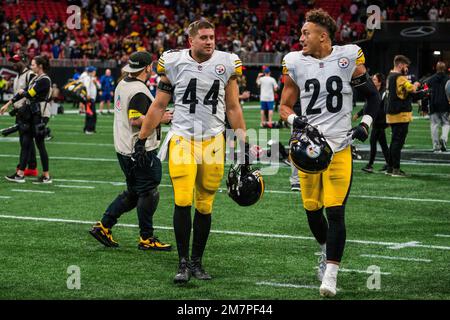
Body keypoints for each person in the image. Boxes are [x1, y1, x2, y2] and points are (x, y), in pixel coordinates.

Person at [136, 20, 250, 284]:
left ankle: (197, 261)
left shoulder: (227, 63)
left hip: (213, 141)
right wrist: (142, 139)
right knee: (183, 199)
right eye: (204, 37)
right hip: (183, 139)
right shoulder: (173, 63)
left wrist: (243, 143)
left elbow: (233, 108)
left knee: (205, 204)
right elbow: (158, 105)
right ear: (191, 41)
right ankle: (183, 263)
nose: (210, 41)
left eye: (212, 37)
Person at [280, 9, 380, 297]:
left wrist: (365, 124)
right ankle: (325, 251)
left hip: (339, 147)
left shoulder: (348, 57)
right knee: (312, 209)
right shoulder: (295, 63)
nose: (300, 38)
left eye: (305, 33)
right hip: (308, 149)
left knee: (335, 210)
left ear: (322, 36)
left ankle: (331, 274)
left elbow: (373, 98)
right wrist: (293, 121)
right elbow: (285, 106)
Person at [89, 51, 173, 251]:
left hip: (124, 148)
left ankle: (104, 225)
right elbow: (136, 119)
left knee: (135, 192)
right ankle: (147, 237)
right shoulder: (138, 89)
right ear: (147, 68)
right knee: (149, 191)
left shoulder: (123, 83)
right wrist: (161, 118)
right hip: (139, 149)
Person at [1, 55, 53, 183]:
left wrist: (22, 92)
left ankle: (46, 176)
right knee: (25, 143)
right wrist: (8, 104)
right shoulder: (36, 78)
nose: (31, 66)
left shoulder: (45, 80)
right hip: (32, 113)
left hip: (40, 114)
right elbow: (24, 91)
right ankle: (20, 174)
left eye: (34, 64)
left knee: (40, 145)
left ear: (40, 66)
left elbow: (29, 93)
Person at [385, 55, 422, 177]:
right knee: (398, 143)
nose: (407, 69)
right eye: (406, 66)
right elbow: (412, 89)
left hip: (391, 114)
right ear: (400, 65)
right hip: (400, 114)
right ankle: (396, 169)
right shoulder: (400, 77)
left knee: (394, 142)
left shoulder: (390, 76)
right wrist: (416, 84)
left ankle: (390, 167)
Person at [9, 54, 39, 177]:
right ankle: (30, 166)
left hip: (26, 112)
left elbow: (34, 92)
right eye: (13, 62)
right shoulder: (17, 76)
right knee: (25, 140)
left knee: (26, 140)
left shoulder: (30, 74)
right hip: (19, 112)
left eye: (16, 62)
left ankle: (28, 166)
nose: (13, 64)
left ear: (23, 62)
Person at [353, 73, 390, 172]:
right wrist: (359, 114)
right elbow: (367, 106)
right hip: (375, 121)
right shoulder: (372, 92)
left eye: (374, 80)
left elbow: (383, 109)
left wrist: (377, 119)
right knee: (383, 144)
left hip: (379, 122)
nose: (372, 81)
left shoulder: (383, 93)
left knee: (373, 142)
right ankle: (389, 164)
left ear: (379, 82)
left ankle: (370, 165)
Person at [423, 62, 449, 152]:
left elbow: (425, 92)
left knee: (434, 125)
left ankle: (436, 145)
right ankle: (444, 138)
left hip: (433, 104)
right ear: (445, 68)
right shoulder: (448, 79)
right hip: (445, 104)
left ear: (436, 68)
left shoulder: (430, 80)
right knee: (446, 123)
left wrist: (424, 107)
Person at [80, 66, 98, 134]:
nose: (95, 72)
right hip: (89, 99)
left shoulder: (92, 78)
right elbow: (86, 87)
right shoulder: (87, 78)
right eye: (94, 71)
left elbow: (99, 86)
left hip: (91, 99)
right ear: (91, 72)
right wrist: (88, 96)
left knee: (92, 115)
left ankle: (91, 128)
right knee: (90, 114)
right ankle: (88, 129)